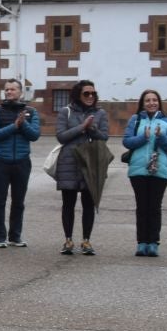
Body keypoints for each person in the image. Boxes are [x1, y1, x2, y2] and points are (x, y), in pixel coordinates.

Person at [53, 81, 110, 256]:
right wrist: (81, 127)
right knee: (68, 204)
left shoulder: (100, 113)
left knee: (88, 204)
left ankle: (86, 241)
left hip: (91, 162)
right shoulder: (66, 111)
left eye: (93, 93)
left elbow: (104, 137)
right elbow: (61, 136)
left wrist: (91, 128)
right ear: (78, 94)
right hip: (69, 162)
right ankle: (68, 240)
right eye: (86, 93)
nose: (90, 96)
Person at [0, 79, 42, 247]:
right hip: (1, 162)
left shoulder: (31, 112)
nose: (9, 92)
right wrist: (14, 126)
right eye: (7, 89)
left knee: (18, 202)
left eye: (13, 89)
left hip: (22, 162)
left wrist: (22, 123)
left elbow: (34, 135)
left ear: (20, 92)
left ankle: (15, 236)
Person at [123, 89, 167, 257]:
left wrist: (161, 137)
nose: (151, 103)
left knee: (154, 207)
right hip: (138, 169)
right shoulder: (136, 119)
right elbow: (126, 141)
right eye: (148, 100)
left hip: (159, 169)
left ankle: (153, 242)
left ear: (159, 102)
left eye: (154, 100)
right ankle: (141, 243)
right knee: (142, 207)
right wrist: (143, 138)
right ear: (143, 103)